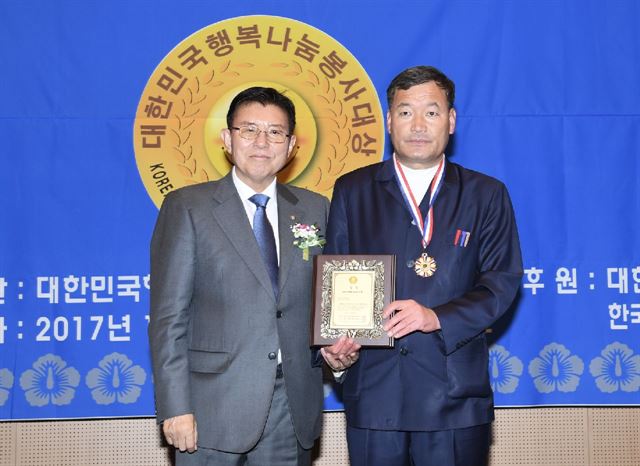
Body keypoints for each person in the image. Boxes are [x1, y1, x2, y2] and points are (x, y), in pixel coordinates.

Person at [324, 66, 523, 466]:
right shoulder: (352, 190)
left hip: (454, 395)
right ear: (388, 120)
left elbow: (501, 282)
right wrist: (333, 347)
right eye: (404, 112)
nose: (417, 125)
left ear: (450, 120)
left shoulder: (486, 194)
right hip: (375, 392)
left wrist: (436, 316)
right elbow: (335, 281)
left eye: (431, 112)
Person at [148, 86, 358, 466]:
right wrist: (175, 407)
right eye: (249, 130)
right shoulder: (188, 207)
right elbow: (168, 319)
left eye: (275, 132)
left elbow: (325, 303)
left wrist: (337, 354)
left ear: (292, 144)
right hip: (210, 408)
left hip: (291, 405)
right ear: (227, 139)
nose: (262, 141)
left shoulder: (314, 209)